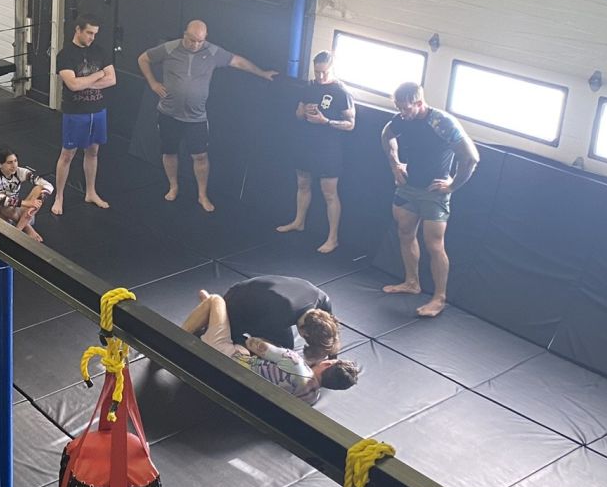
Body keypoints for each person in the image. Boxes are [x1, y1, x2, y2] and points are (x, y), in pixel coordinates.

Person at [138, 20, 277, 213]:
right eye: (192, 40)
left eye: (200, 41)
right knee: (169, 151)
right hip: (169, 113)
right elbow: (143, 59)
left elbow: (238, 61)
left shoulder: (212, 52)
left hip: (196, 117)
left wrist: (262, 73)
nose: (196, 44)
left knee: (201, 156)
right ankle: (173, 186)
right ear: (185, 34)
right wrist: (153, 83)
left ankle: (202, 195)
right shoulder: (169, 48)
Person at [381, 81, 481, 318]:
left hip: (434, 192)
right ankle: (412, 282)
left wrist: (452, 185)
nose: (402, 113)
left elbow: (471, 158)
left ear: (419, 103)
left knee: (434, 245)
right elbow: (386, 135)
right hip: (408, 187)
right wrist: (395, 164)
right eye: (398, 108)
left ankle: (439, 298)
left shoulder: (441, 122)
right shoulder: (401, 119)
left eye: (406, 108)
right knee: (405, 233)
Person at [182, 290, 359, 404]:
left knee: (216, 300)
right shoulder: (312, 398)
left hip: (223, 358)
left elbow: (253, 343)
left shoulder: (294, 362)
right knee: (240, 345)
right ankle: (210, 318)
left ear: (327, 364)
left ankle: (179, 333)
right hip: (243, 385)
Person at [277, 51, 355, 253]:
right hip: (306, 144)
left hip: (328, 148)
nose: (320, 76)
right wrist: (304, 112)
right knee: (302, 184)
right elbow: (297, 114)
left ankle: (333, 238)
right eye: (317, 72)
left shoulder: (341, 92)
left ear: (332, 69)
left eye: (324, 72)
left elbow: (350, 124)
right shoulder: (310, 87)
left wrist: (325, 121)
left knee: (329, 193)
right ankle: (299, 221)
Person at [52, 14, 115, 215]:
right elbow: (73, 85)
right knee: (67, 154)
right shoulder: (65, 55)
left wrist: (85, 83)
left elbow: (112, 79)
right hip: (75, 112)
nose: (91, 37)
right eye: (88, 33)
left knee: (93, 151)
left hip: (98, 110)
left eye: (95, 34)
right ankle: (59, 197)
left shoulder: (100, 51)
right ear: (78, 30)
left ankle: (90, 192)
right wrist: (98, 75)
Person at [221, 273, 341, 360]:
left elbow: (333, 337)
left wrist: (333, 359)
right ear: (304, 333)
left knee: (286, 349)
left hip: (265, 292)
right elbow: (252, 338)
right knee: (278, 353)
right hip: (236, 301)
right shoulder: (278, 318)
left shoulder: (323, 299)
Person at [0, 145, 54, 243]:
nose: (14, 165)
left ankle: (18, 230)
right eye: (9, 162)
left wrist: (38, 201)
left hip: (18, 214)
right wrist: (25, 203)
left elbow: (48, 185)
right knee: (3, 203)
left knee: (39, 188)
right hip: (0, 215)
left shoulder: (20, 172)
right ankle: (27, 228)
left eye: (15, 161)